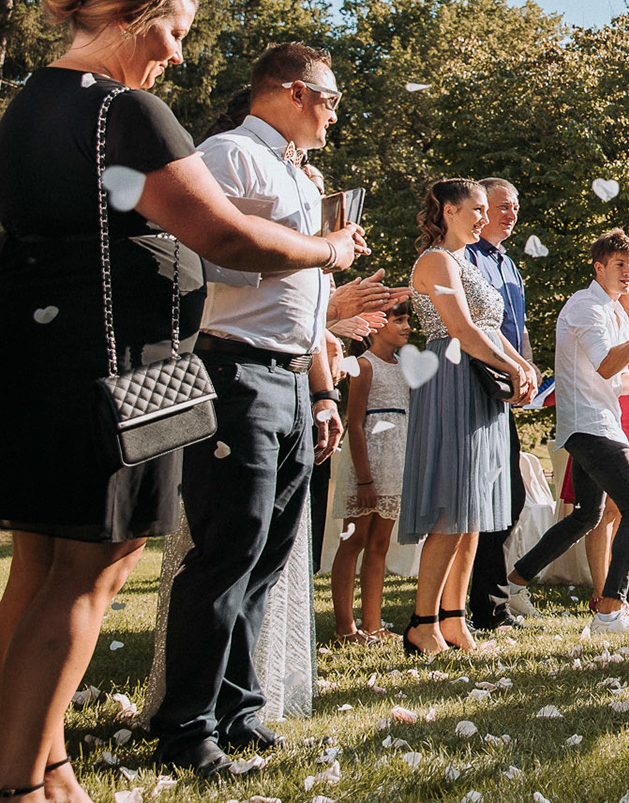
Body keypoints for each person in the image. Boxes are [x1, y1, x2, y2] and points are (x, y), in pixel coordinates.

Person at [0, 0, 367, 796]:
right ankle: (21, 782)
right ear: (134, 17)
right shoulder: (126, 110)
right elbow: (225, 236)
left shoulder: (28, 106)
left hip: (41, 357)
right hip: (117, 366)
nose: (177, 53)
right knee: (91, 574)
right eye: (174, 31)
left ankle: (46, 759)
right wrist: (328, 250)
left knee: (41, 568)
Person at [148, 42, 372, 771]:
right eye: (330, 99)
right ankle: (186, 727)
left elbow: (306, 309)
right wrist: (323, 248)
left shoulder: (300, 175)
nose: (335, 114)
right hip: (232, 368)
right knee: (227, 550)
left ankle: (238, 710)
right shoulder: (229, 156)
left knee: (269, 557)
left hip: (293, 380)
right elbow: (213, 258)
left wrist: (324, 392)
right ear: (292, 91)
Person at [397, 180, 539, 659]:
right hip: (453, 379)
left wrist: (521, 366)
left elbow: (492, 329)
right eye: (476, 209)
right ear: (448, 211)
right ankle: (422, 623)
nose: (484, 217)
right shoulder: (436, 261)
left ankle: (454, 618)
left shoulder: (467, 261)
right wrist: (511, 368)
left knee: (475, 510)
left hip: (481, 385)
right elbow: (460, 329)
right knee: (452, 507)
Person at [508, 229, 629, 633]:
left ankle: (512, 584)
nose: (628, 272)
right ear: (599, 267)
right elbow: (605, 365)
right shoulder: (586, 306)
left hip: (601, 421)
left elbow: (618, 380)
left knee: (586, 515)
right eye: (620, 265)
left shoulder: (613, 311)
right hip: (590, 425)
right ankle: (610, 612)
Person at [465, 178, 536, 632]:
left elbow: (517, 326)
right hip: (476, 382)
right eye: (502, 206)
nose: (511, 214)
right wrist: (509, 369)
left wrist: (527, 366)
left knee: (510, 497)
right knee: (484, 497)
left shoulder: (509, 264)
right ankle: (485, 608)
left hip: (509, 384)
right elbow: (477, 325)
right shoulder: (465, 258)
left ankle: (490, 602)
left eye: (515, 207)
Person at [328, 299, 415, 642]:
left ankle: (373, 624)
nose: (407, 327)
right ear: (377, 325)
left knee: (379, 543)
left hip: (395, 463)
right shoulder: (363, 366)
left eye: (407, 320)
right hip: (367, 465)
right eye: (399, 320)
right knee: (354, 540)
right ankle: (344, 627)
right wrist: (364, 478)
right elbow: (356, 424)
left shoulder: (403, 367)